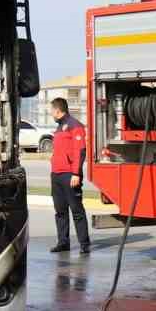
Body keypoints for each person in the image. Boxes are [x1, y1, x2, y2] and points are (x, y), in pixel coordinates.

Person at [49, 96, 90, 254]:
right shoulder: (59, 127)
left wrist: (76, 173)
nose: (51, 113)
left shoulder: (75, 126)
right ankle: (63, 242)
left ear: (58, 110)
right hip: (57, 175)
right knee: (60, 211)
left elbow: (80, 151)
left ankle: (84, 243)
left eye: (52, 110)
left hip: (69, 175)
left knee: (76, 210)